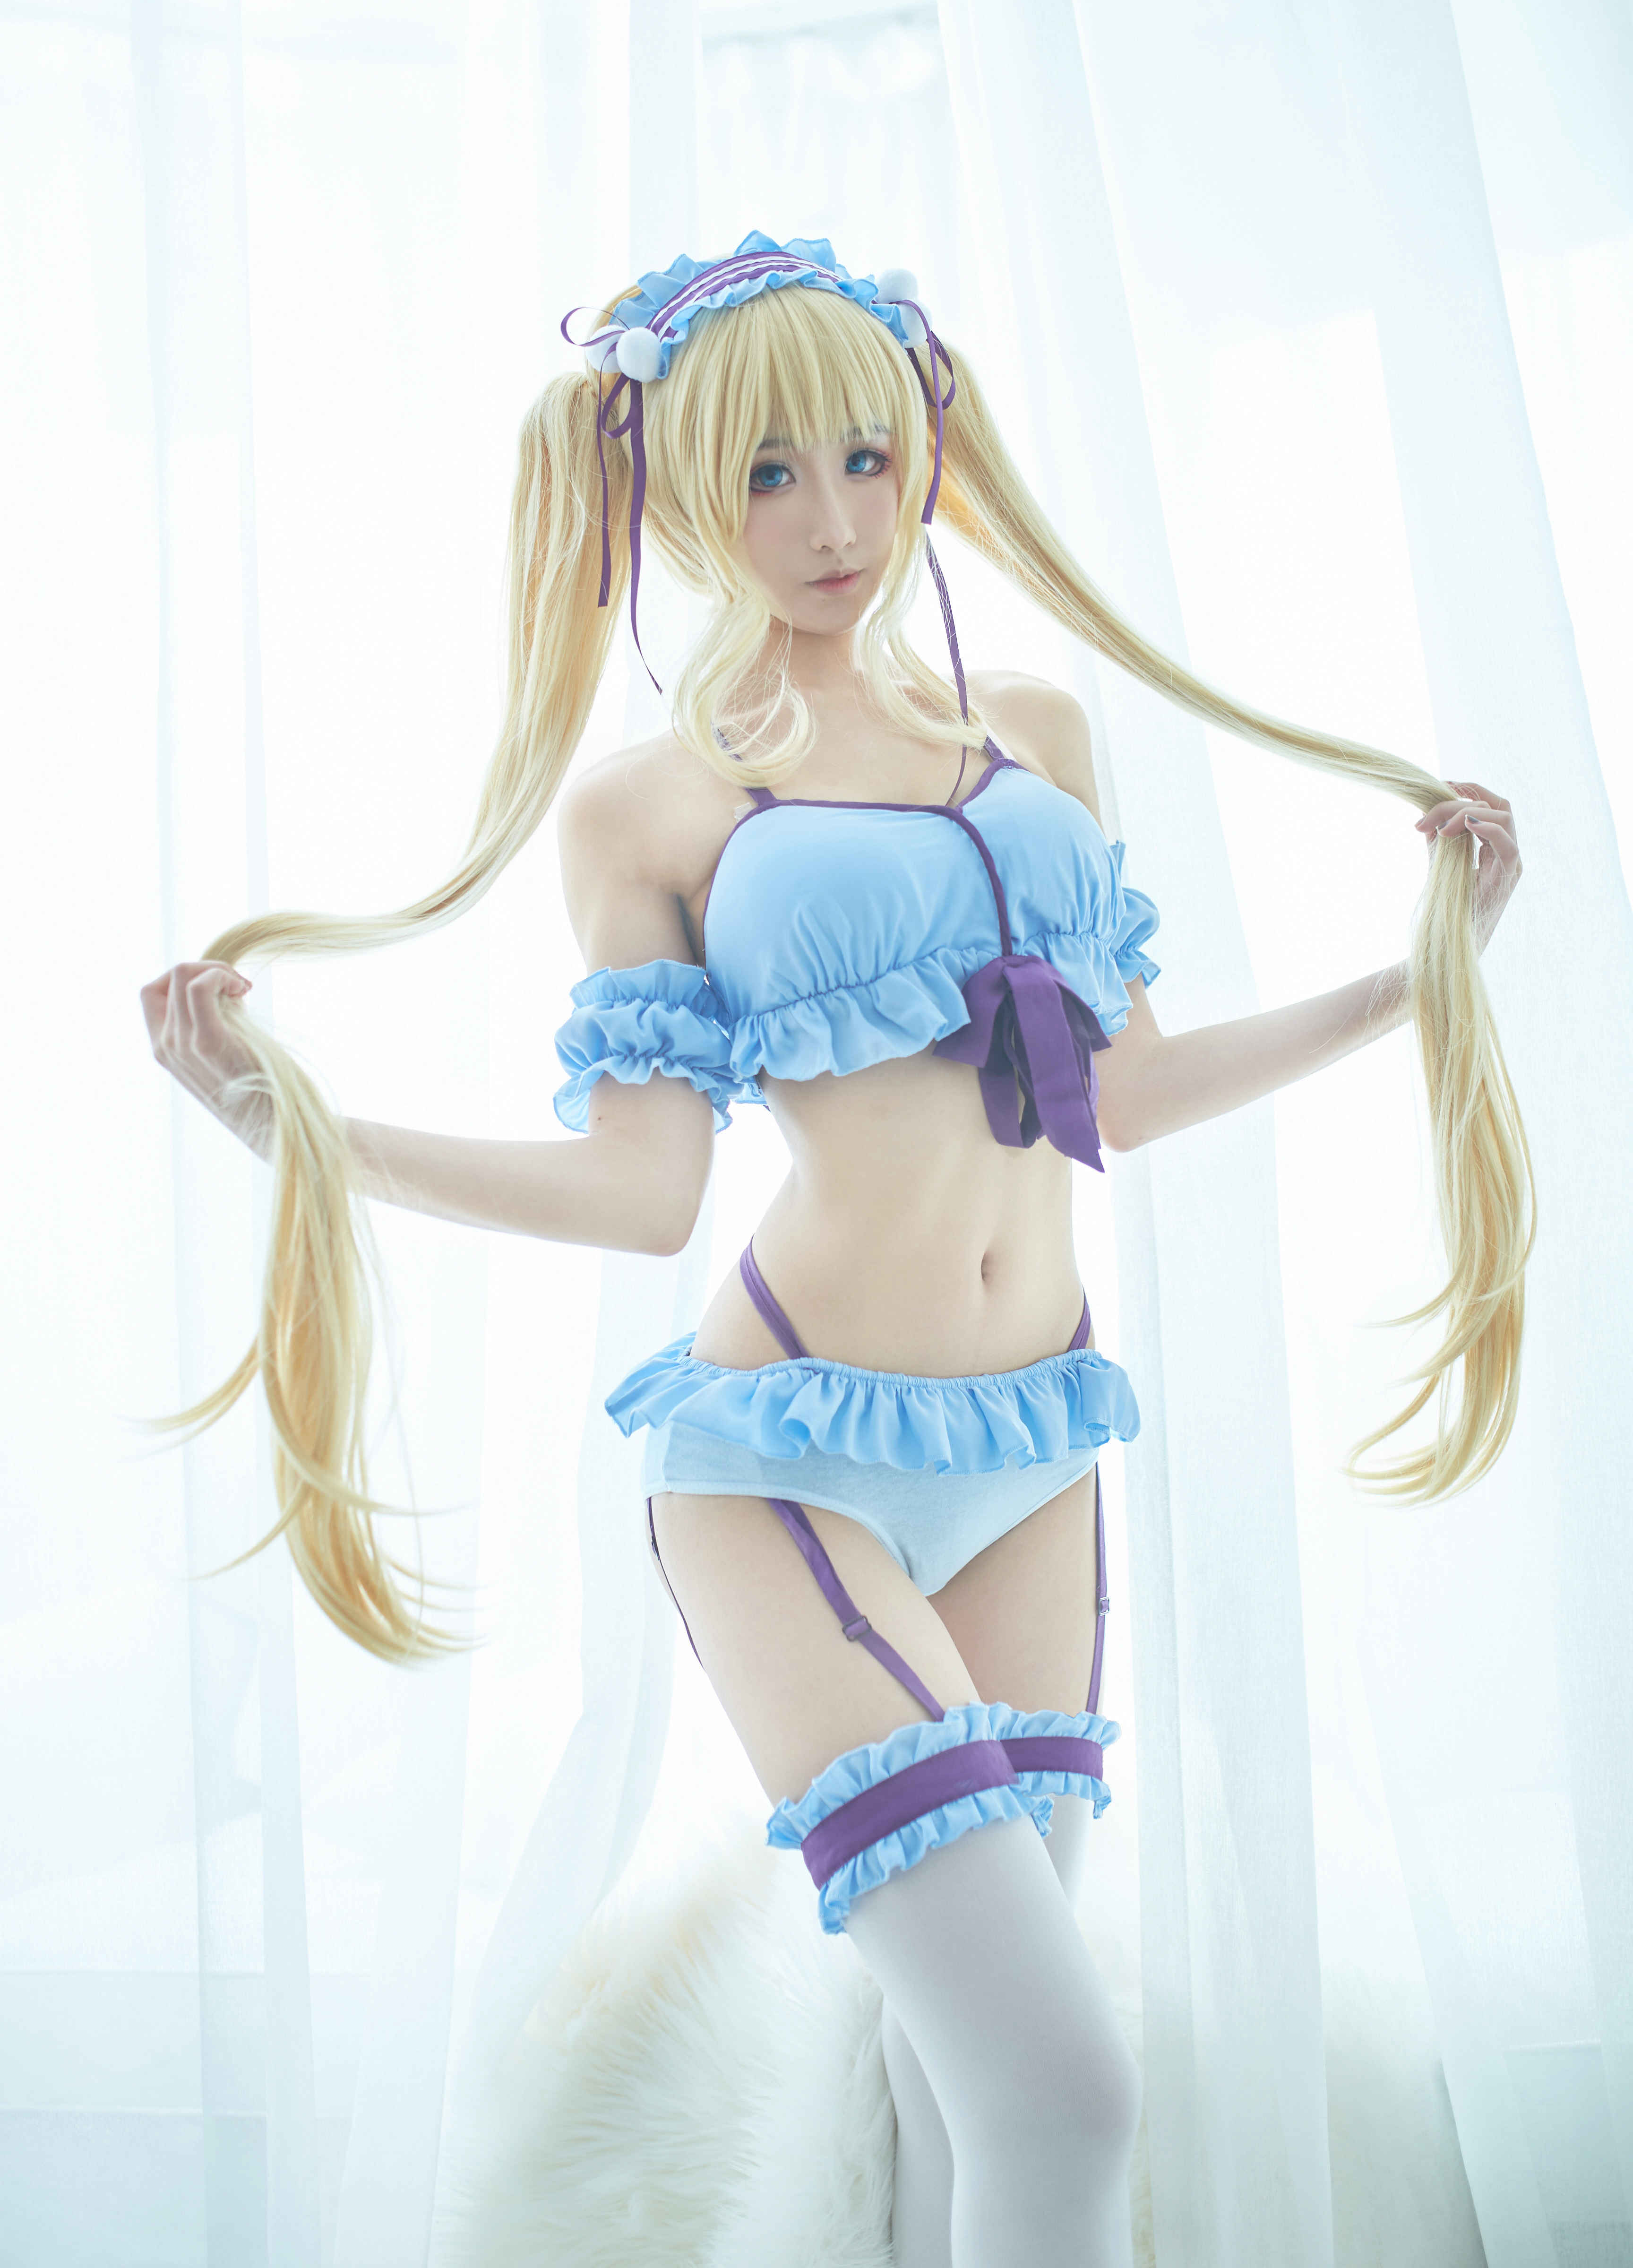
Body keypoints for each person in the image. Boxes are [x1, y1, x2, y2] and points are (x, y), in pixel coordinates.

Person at [140, 234, 1529, 2268]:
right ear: (672, 492)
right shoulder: (645, 810)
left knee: (958, 2081)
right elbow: (639, 1190)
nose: (833, 522)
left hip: (1035, 1444)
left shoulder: (1038, 729)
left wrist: (1421, 976)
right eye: (769, 474)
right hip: (784, 1471)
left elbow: (1124, 1092)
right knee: (1066, 2090)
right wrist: (306, 1140)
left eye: (868, 459)